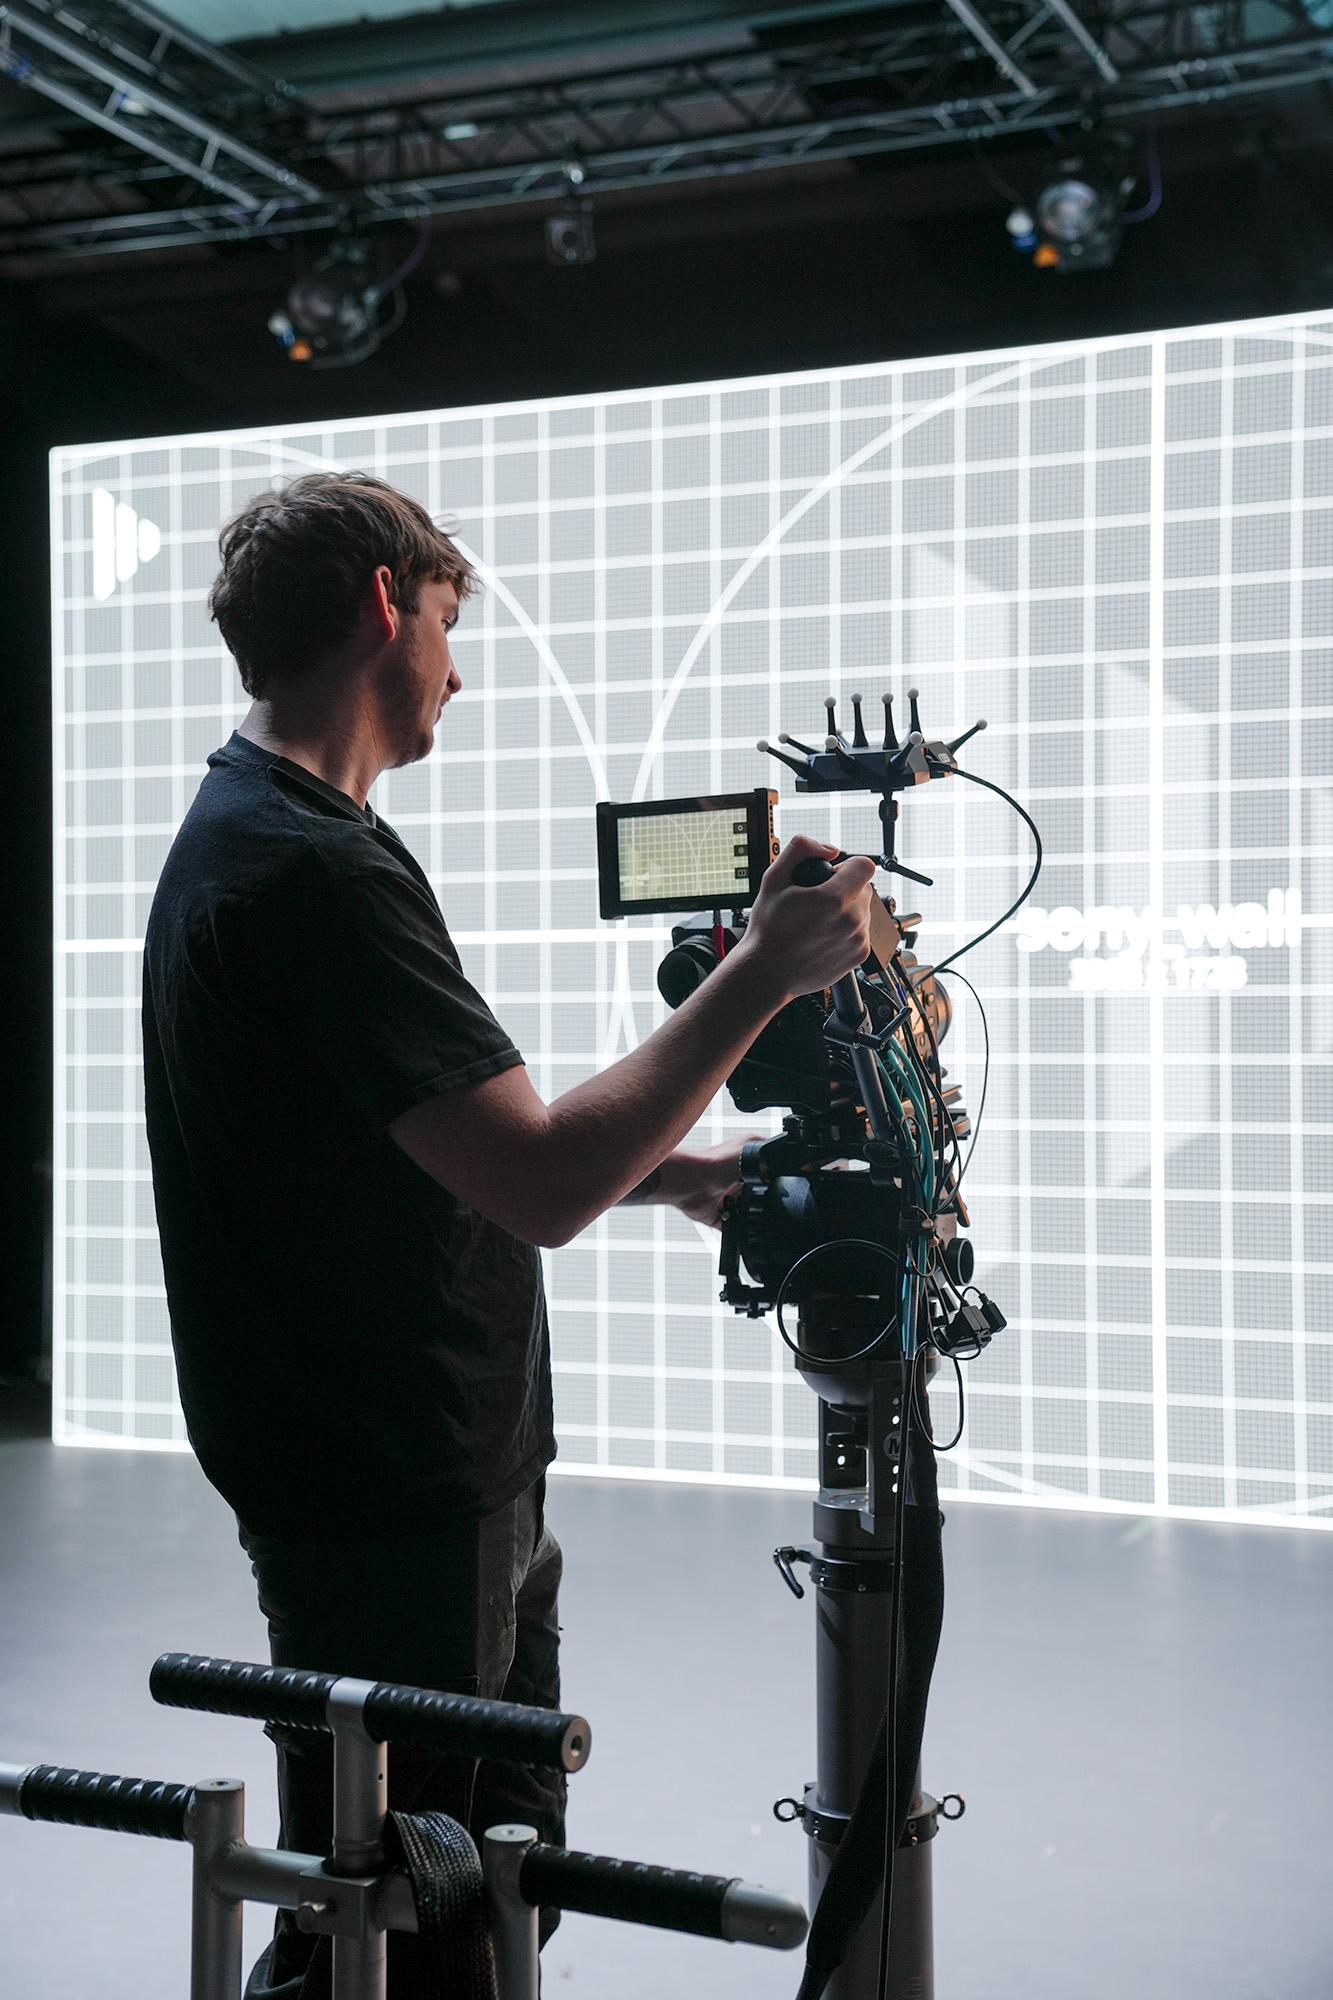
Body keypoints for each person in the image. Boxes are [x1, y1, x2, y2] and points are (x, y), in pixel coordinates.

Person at [142, 471, 874, 1996]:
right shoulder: (312, 869)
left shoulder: (259, 830)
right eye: (451, 628)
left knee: (461, 1874)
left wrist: (671, 1172)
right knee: (408, 1910)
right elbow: (539, 1183)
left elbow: (413, 1148)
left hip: (411, 1464)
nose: (457, 674)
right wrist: (761, 973)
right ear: (380, 603)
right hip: (395, 1477)